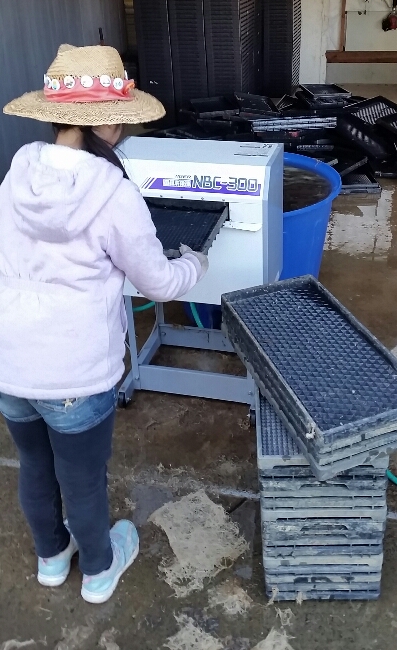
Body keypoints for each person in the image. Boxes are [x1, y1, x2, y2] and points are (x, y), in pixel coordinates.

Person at [0, 44, 208, 604]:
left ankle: (51, 559)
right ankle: (98, 569)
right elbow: (158, 283)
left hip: (10, 362)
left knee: (35, 465)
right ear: (111, 122)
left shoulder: (19, 171)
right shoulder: (113, 191)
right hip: (75, 369)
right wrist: (195, 263)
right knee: (82, 479)